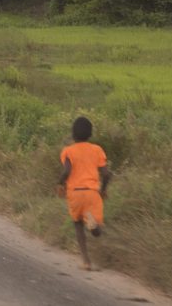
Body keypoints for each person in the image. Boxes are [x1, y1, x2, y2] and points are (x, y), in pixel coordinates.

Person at [58, 116, 112, 271]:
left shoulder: (68, 151)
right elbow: (107, 174)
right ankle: (93, 224)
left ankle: (86, 261)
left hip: (74, 193)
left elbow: (67, 171)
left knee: (77, 224)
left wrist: (60, 183)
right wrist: (103, 190)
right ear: (90, 134)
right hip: (92, 193)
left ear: (73, 134)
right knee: (95, 228)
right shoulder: (97, 150)